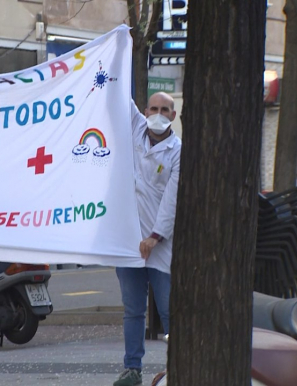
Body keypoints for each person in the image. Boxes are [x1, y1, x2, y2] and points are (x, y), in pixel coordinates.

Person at [114, 92, 182, 386]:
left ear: (173, 115)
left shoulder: (178, 151)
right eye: (153, 108)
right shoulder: (136, 130)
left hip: (160, 244)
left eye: (164, 109)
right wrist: (119, 45)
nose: (158, 113)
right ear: (145, 110)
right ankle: (132, 369)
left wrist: (155, 237)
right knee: (133, 311)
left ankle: (178, 367)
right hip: (129, 242)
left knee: (169, 310)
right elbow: (119, 93)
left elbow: (172, 199)